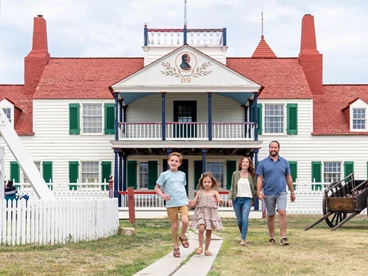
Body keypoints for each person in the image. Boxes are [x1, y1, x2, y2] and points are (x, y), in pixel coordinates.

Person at [256, 141, 296, 246]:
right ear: (269, 149)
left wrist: (292, 191)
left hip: (281, 192)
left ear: (279, 149)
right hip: (268, 193)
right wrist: (258, 192)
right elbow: (260, 178)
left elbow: (288, 177)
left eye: (275, 147)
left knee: (282, 212)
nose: (273, 149)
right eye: (271, 147)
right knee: (271, 215)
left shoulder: (284, 162)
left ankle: (283, 237)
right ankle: (272, 238)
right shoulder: (263, 163)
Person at [155, 152, 189, 258]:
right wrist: (163, 195)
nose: (174, 162)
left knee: (185, 221)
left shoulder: (182, 174)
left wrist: (188, 199)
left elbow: (182, 188)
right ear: (168, 162)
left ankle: (182, 236)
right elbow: (156, 188)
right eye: (172, 160)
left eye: (176, 161)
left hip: (182, 202)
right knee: (174, 225)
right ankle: (176, 246)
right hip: (171, 204)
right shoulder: (164, 175)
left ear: (180, 163)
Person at [189, 171, 224, 256]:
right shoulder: (199, 192)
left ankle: (207, 249)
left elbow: (221, 201)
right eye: (205, 182)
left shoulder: (214, 192)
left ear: (212, 183)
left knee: (209, 232)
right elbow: (194, 201)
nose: (207, 184)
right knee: (201, 228)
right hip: (201, 212)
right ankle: (200, 247)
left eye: (209, 182)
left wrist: (220, 200)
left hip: (211, 214)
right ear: (202, 182)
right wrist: (191, 203)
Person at [227, 157, 257, 246]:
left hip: (247, 199)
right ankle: (244, 235)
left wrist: (253, 199)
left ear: (249, 164)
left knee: (245, 218)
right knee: (239, 221)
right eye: (243, 162)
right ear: (241, 164)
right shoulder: (235, 174)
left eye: (246, 162)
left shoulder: (251, 175)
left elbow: (254, 188)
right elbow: (232, 187)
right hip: (237, 199)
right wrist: (230, 198)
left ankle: (243, 239)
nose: (245, 163)